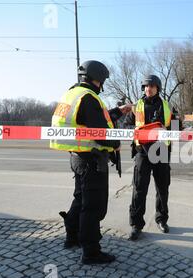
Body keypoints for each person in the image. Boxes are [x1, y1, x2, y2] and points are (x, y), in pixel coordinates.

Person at [51, 60, 131, 265]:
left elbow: (93, 120)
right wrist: (115, 144)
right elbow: (100, 132)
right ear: (98, 78)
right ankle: (91, 252)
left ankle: (72, 236)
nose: (103, 83)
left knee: (80, 199)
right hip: (92, 159)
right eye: (103, 80)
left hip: (77, 157)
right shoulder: (89, 97)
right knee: (93, 207)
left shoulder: (72, 94)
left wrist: (118, 111)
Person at [123, 75, 181, 241]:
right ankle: (136, 225)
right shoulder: (136, 106)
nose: (149, 89)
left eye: (152, 87)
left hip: (161, 150)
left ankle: (162, 219)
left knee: (162, 188)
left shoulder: (167, 106)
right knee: (139, 188)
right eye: (146, 87)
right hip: (142, 151)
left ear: (158, 88)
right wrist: (139, 130)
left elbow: (177, 127)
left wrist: (167, 127)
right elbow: (126, 127)